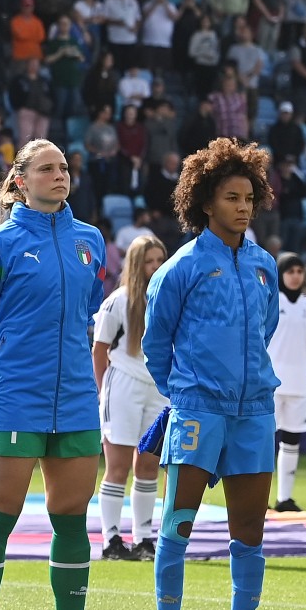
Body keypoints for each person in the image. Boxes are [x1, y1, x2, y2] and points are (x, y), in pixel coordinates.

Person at [0, 138, 113, 610]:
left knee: (71, 517)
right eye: (47, 169)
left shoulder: (90, 241)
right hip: (15, 396)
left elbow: (90, 308)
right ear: (20, 180)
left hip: (74, 396)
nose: (60, 176)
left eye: (65, 167)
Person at [143, 139, 287, 610]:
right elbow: (156, 344)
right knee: (178, 525)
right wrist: (186, 393)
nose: (243, 206)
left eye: (249, 196)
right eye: (231, 197)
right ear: (206, 202)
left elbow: (265, 329)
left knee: (250, 529)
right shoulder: (180, 267)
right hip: (199, 411)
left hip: (254, 412)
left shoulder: (264, 265)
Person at [90, 234, 169, 561]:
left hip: (157, 389)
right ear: (136, 265)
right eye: (149, 261)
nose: (155, 267)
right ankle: (111, 540)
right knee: (118, 467)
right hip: (122, 385)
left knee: (148, 465)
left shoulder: (169, 300)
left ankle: (144, 539)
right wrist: (102, 389)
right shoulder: (118, 301)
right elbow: (100, 349)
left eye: (159, 260)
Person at [268, 252, 306, 512]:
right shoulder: (271, 302)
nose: (296, 276)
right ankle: (257, 497)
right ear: (281, 274)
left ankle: (284, 499)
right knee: (264, 439)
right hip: (271, 384)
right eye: (291, 271)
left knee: (292, 440)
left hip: (299, 385)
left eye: (300, 271)